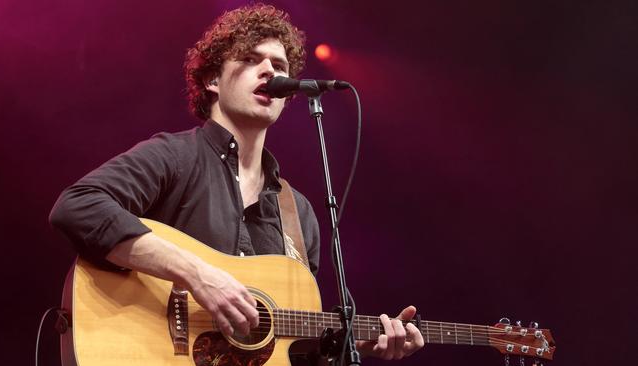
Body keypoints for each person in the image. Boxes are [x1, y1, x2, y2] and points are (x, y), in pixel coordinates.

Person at [49, 3, 423, 362]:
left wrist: (350, 347)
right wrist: (198, 275)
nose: (269, 71)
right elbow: (78, 206)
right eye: (250, 59)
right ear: (212, 79)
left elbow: (291, 352)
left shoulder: (299, 213)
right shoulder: (175, 156)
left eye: (279, 65)